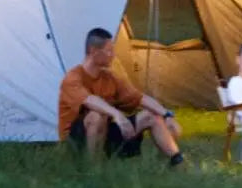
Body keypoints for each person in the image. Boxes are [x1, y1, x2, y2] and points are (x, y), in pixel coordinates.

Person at [58, 27, 184, 166]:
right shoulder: (73, 78)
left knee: (151, 116)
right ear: (93, 51)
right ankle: (92, 169)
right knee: (97, 115)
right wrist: (117, 115)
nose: (113, 55)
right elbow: (90, 100)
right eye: (109, 51)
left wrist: (167, 115)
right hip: (77, 141)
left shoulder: (109, 78)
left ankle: (177, 161)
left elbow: (140, 98)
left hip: (105, 134)